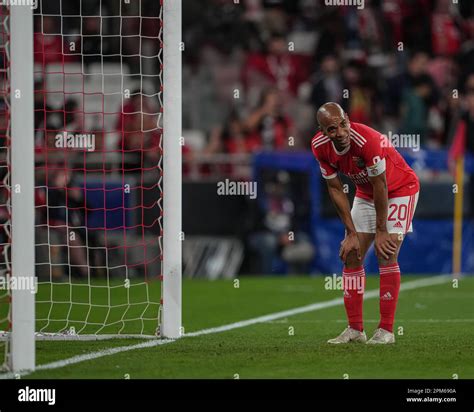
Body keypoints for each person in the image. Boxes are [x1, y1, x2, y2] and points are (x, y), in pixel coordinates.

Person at [311, 102, 420, 344]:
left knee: (386, 253)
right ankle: (355, 330)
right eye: (331, 129)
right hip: (366, 193)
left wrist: (381, 230)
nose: (339, 133)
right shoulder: (319, 147)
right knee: (352, 254)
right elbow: (335, 188)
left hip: (400, 189)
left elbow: (381, 184)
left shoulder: (368, 140)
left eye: (343, 125)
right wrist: (350, 232)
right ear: (321, 132)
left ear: (348, 120)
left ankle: (386, 331)